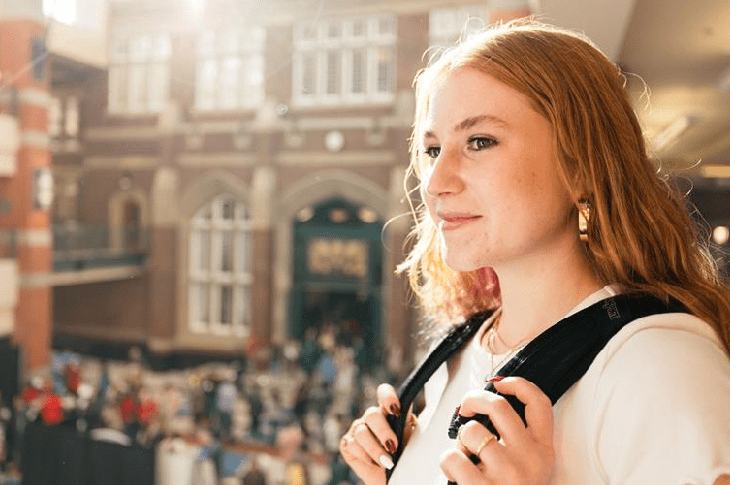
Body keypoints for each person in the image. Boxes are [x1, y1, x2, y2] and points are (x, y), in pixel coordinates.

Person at [339, 20, 730, 485]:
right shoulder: (461, 350)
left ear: (582, 165)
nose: (436, 184)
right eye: (432, 148)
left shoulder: (656, 364)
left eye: (479, 141)